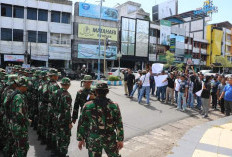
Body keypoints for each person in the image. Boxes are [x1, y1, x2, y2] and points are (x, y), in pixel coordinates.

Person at [77, 82, 124, 157]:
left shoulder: (88, 105)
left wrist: (80, 139)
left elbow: (82, 123)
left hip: (94, 138)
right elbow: (119, 124)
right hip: (109, 138)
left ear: (95, 91)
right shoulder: (114, 106)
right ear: (107, 92)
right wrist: (120, 139)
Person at [10, 77, 30, 156]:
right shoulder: (19, 97)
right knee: (22, 148)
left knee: (17, 146)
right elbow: (19, 114)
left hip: (14, 125)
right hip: (19, 127)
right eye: (26, 86)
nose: (27, 88)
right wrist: (26, 121)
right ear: (22, 86)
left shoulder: (14, 93)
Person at [54, 77, 72, 157]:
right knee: (65, 137)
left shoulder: (56, 92)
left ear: (61, 84)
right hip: (63, 119)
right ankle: (62, 154)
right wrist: (69, 122)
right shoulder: (67, 95)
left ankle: (58, 152)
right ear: (68, 85)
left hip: (56, 116)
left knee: (58, 135)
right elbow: (67, 110)